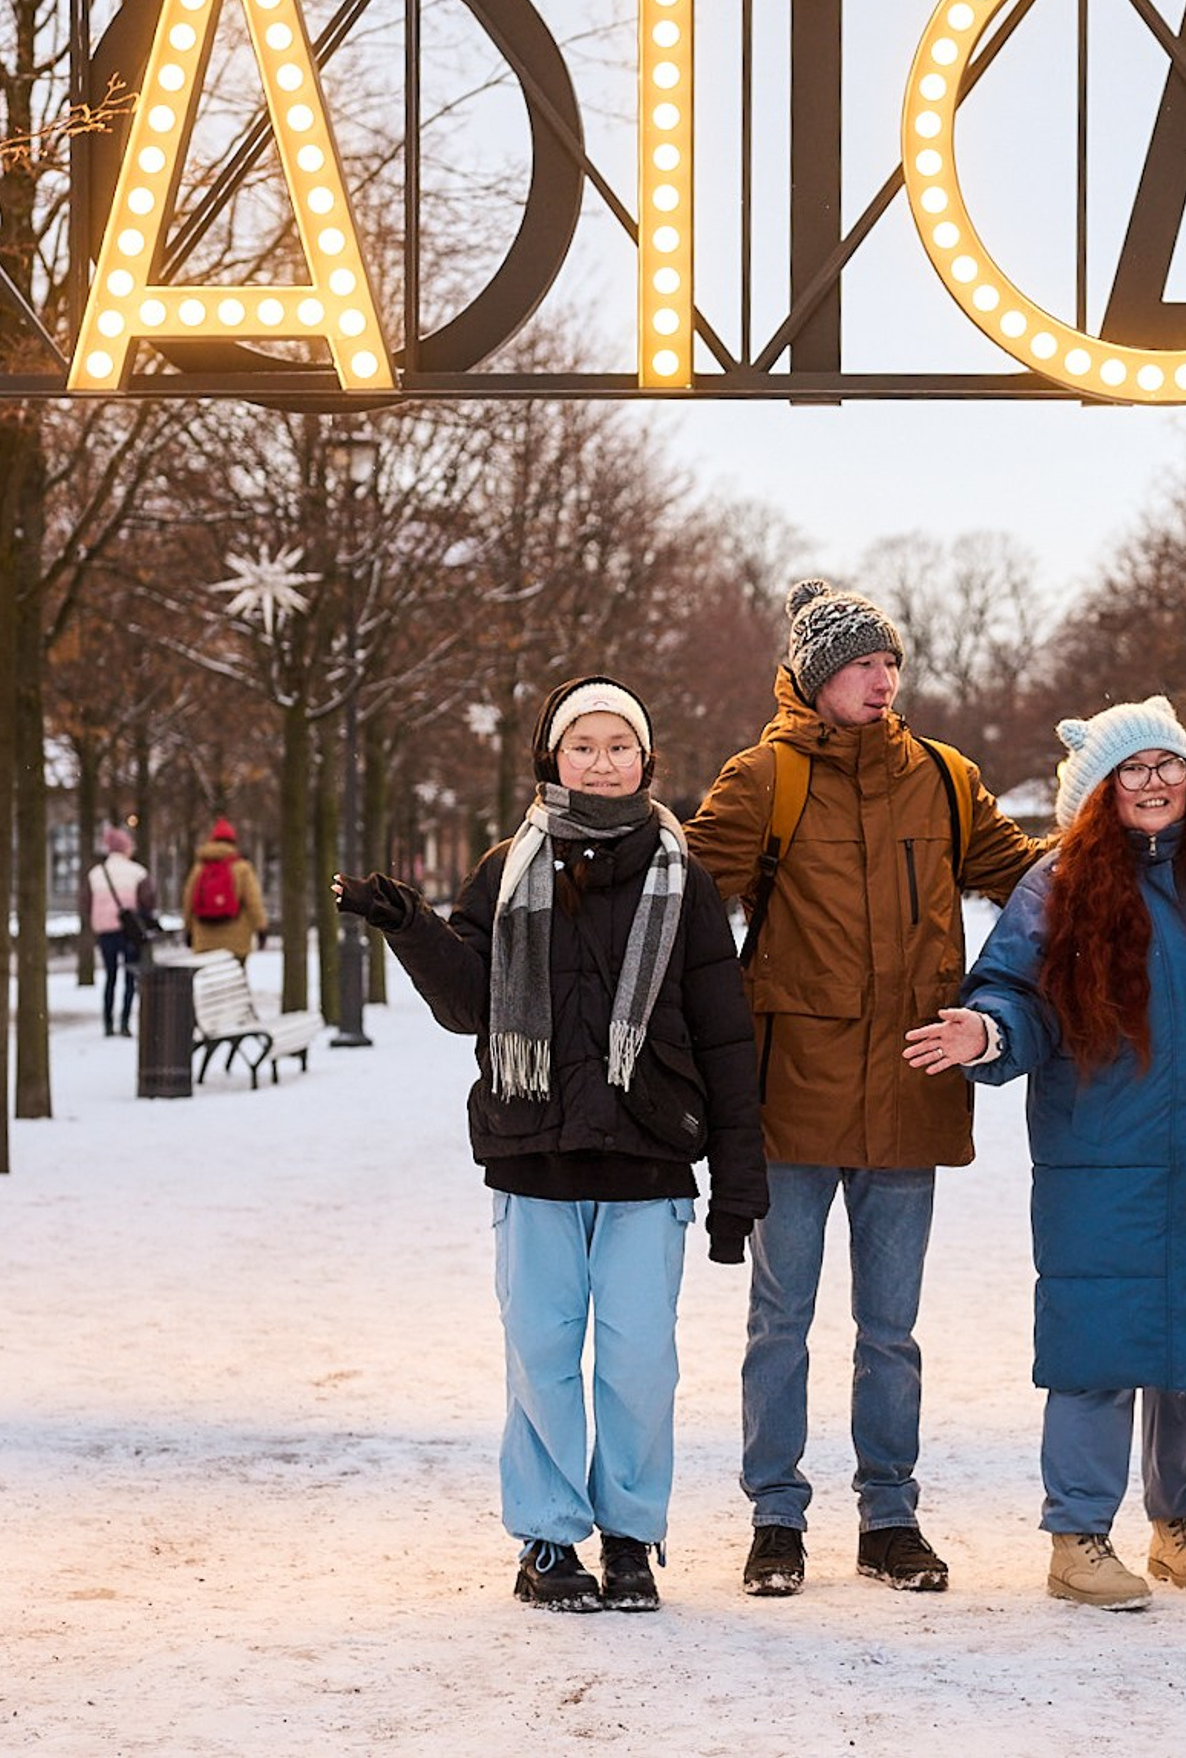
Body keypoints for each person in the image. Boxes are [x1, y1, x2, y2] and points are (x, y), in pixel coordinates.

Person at [332, 675, 768, 1613]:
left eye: (620, 745)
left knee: (640, 1358)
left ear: (646, 762)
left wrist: (739, 1184)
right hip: (533, 1155)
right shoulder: (503, 870)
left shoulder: (683, 879)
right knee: (541, 1349)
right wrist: (408, 926)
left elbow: (727, 1036)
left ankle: (630, 1537)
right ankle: (546, 1539)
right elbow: (466, 1008)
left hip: (649, 1159)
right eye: (584, 744)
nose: (602, 760)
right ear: (552, 759)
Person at [684, 579, 1045, 1599]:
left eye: (889, 662)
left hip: (911, 1080)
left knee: (891, 1329)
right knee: (780, 1322)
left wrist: (1131, 856)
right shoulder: (763, 779)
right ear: (811, 675)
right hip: (790, 1091)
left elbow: (1023, 879)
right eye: (859, 663)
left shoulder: (943, 776)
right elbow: (683, 909)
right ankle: (775, 1519)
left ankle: (890, 1516)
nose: (882, 678)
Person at [905, 697, 1186, 1610]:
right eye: (1130, 771)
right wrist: (988, 1035)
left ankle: (1177, 1525)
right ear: (1098, 791)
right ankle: (1078, 1537)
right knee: (1099, 1347)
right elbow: (1014, 991)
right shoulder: (1058, 881)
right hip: (1102, 1153)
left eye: (1166, 766)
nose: (1151, 784)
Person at [85, 824, 157, 1037]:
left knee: (110, 977)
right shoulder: (138, 872)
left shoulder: (95, 874)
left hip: (105, 931)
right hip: (129, 931)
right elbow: (148, 901)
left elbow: (86, 902)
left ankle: (107, 1023)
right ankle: (125, 1022)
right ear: (125, 848)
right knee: (129, 977)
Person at [182, 816, 267, 964]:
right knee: (235, 983)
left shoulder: (200, 868)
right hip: (236, 941)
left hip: (204, 940)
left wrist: (188, 930)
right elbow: (253, 901)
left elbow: (189, 901)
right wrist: (261, 928)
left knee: (210, 983)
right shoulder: (242, 868)